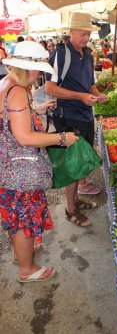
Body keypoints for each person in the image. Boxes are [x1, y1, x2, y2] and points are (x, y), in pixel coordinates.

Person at [0, 41, 78, 282]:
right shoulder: (18, 91)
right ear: (27, 68)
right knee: (24, 217)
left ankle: (20, 256)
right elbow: (24, 136)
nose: (40, 75)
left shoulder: (6, 83)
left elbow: (11, 121)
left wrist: (37, 109)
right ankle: (27, 270)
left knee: (14, 216)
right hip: (19, 170)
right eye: (38, 70)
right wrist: (62, 138)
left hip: (7, 166)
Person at [45, 12, 108, 227]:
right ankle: (69, 209)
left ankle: (76, 200)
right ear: (71, 32)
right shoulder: (60, 54)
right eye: (82, 34)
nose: (86, 38)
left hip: (85, 115)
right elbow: (50, 88)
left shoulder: (88, 55)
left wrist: (97, 95)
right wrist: (80, 97)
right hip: (67, 115)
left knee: (81, 161)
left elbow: (90, 84)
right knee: (72, 164)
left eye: (88, 34)